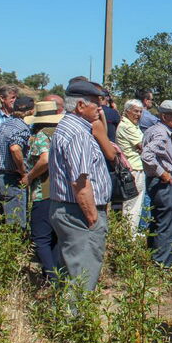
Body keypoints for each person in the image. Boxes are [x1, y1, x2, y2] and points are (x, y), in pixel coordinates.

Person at [48, 80, 112, 291]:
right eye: (96, 103)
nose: (100, 108)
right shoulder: (78, 134)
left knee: (69, 274)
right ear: (80, 106)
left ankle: (64, 320)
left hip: (69, 210)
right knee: (81, 279)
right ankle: (74, 321)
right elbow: (80, 182)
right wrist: (93, 218)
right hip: (79, 214)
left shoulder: (69, 127)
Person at [24, 101, 64, 283]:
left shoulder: (42, 136)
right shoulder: (63, 134)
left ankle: (53, 278)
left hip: (43, 192)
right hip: (62, 192)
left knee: (40, 238)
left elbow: (45, 159)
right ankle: (55, 276)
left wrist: (30, 176)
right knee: (55, 237)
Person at [141, 99, 172, 267]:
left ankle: (154, 259)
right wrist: (163, 173)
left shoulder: (154, 129)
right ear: (164, 116)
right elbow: (147, 155)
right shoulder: (161, 133)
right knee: (167, 223)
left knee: (158, 221)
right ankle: (162, 264)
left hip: (156, 181)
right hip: (163, 182)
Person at [0, 95, 35, 227]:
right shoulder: (22, 128)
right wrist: (23, 171)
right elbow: (15, 148)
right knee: (15, 221)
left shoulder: (5, 124)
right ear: (31, 111)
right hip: (12, 177)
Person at [116, 98, 146, 232]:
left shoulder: (132, 125)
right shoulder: (126, 126)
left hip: (137, 167)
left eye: (140, 112)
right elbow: (142, 145)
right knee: (132, 206)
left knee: (135, 205)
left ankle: (129, 234)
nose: (138, 114)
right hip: (133, 169)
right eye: (135, 111)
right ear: (127, 111)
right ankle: (128, 235)